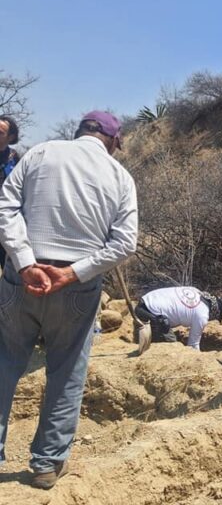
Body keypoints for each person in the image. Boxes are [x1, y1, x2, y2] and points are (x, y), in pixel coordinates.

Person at [0, 111, 138, 489]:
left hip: (21, 280)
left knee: (4, 361)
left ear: (79, 132)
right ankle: (45, 465)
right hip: (75, 290)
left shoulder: (40, 153)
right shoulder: (119, 177)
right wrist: (74, 273)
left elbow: (5, 208)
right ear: (112, 141)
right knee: (66, 372)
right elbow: (124, 243)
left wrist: (26, 262)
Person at [134, 287, 222, 349]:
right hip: (153, 315)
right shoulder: (202, 315)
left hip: (144, 302)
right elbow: (193, 345)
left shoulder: (196, 291)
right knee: (173, 347)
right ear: (215, 312)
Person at [0, 115, 21, 270]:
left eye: (0, 132)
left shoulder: (14, 158)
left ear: (11, 136)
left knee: (8, 264)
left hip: (5, 219)